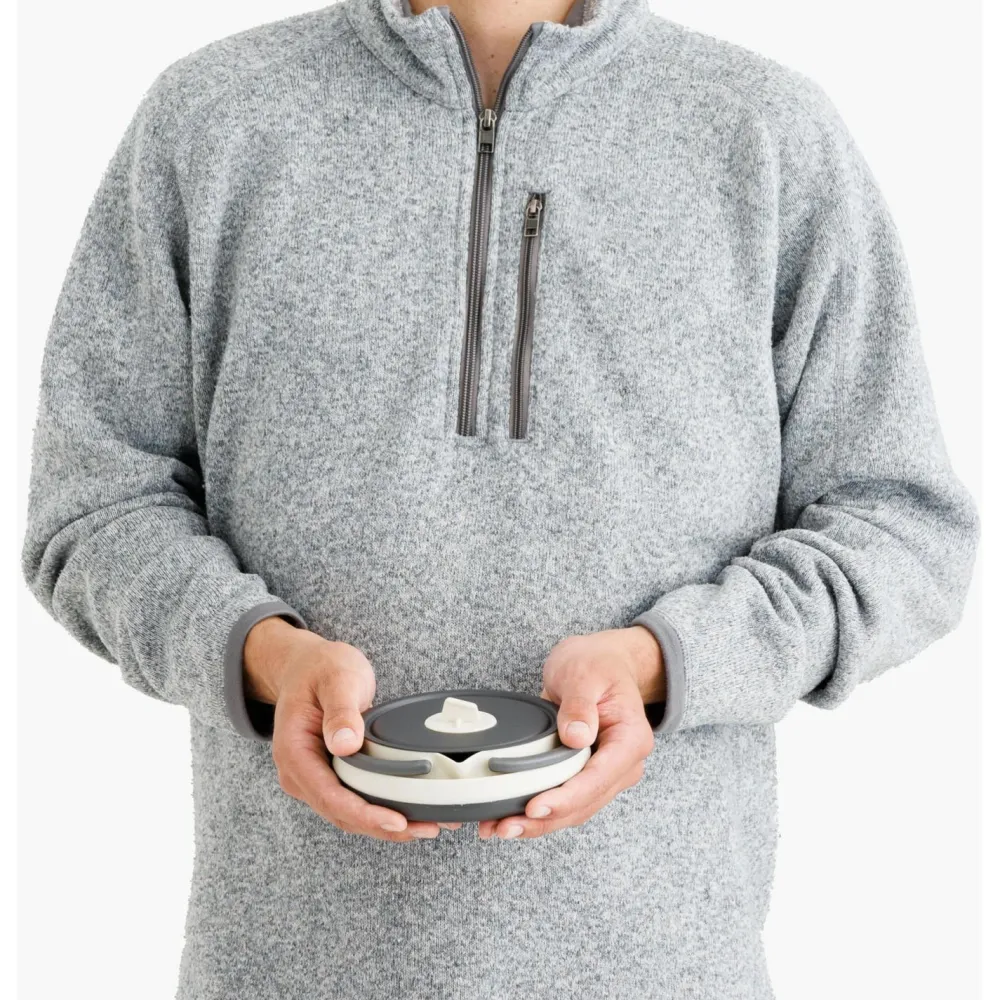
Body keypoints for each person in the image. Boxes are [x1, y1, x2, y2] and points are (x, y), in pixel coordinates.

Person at [21, 0, 979, 996]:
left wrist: (671, 662)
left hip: (661, 970)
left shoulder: (766, 133)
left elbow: (898, 522)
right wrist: (258, 654)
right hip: (286, 971)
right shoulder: (211, 120)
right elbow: (97, 503)